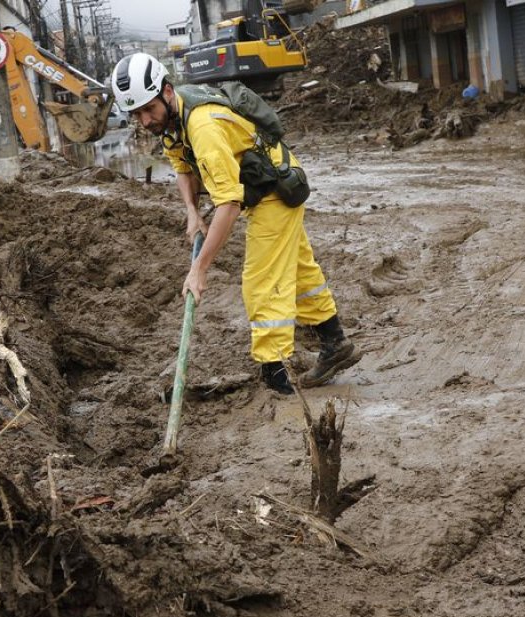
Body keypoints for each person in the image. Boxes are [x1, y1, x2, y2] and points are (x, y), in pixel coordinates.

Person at [111, 53, 359, 395]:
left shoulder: (202, 126)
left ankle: (278, 376)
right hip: (259, 184)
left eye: (147, 109)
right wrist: (191, 212)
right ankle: (336, 344)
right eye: (135, 113)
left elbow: (228, 204)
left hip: (275, 188)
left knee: (262, 281)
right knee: (300, 272)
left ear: (167, 91)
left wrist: (200, 267)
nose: (144, 120)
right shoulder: (171, 121)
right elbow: (182, 167)